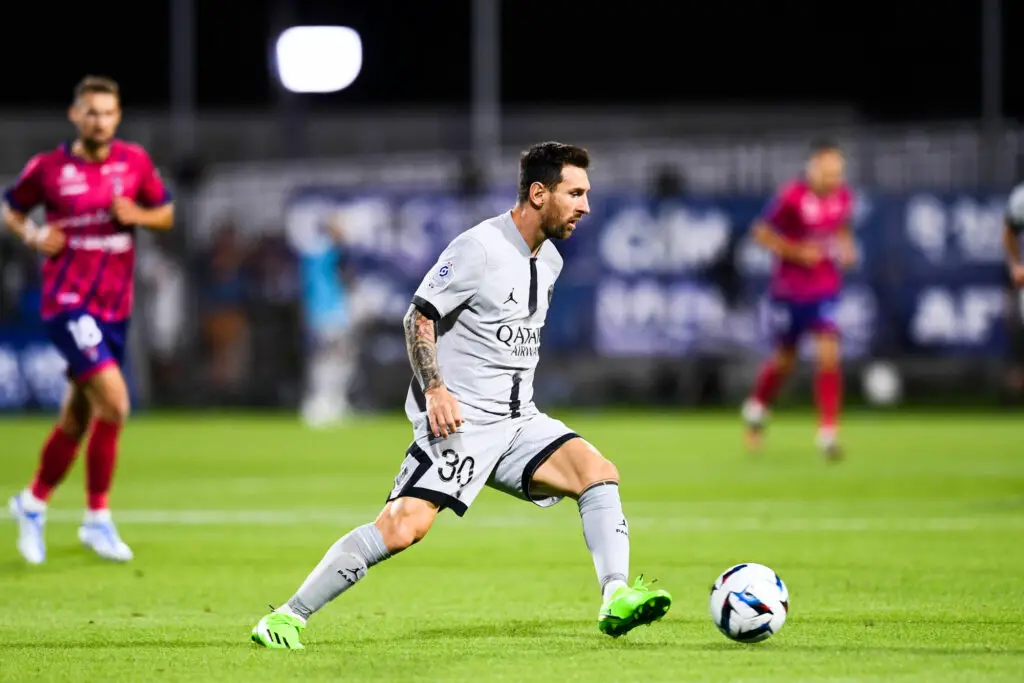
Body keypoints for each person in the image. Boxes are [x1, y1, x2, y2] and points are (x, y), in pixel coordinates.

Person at [250, 142, 671, 649]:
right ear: (539, 194)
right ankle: (286, 617)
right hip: (460, 423)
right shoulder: (479, 248)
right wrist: (436, 390)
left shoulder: (551, 260)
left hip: (519, 422)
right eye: (575, 193)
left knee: (596, 472)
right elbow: (418, 316)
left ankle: (615, 596)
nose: (585, 206)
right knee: (402, 528)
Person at [4, 75, 174, 564]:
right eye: (92, 112)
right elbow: (12, 209)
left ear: (117, 117)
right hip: (68, 303)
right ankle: (97, 518)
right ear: (75, 115)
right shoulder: (49, 169)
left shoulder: (134, 162)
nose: (100, 121)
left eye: (108, 113)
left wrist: (138, 216)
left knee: (77, 418)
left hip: (114, 309)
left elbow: (165, 213)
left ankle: (32, 502)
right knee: (116, 404)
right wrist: (34, 236)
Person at [741, 139, 856, 459]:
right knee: (785, 359)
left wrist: (846, 248)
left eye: (838, 172)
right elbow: (761, 232)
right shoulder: (792, 197)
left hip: (825, 285)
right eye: (828, 171)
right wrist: (796, 251)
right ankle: (757, 407)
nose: (834, 178)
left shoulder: (843, 197)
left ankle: (828, 433)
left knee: (829, 353)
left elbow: (841, 228)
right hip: (791, 290)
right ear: (813, 169)